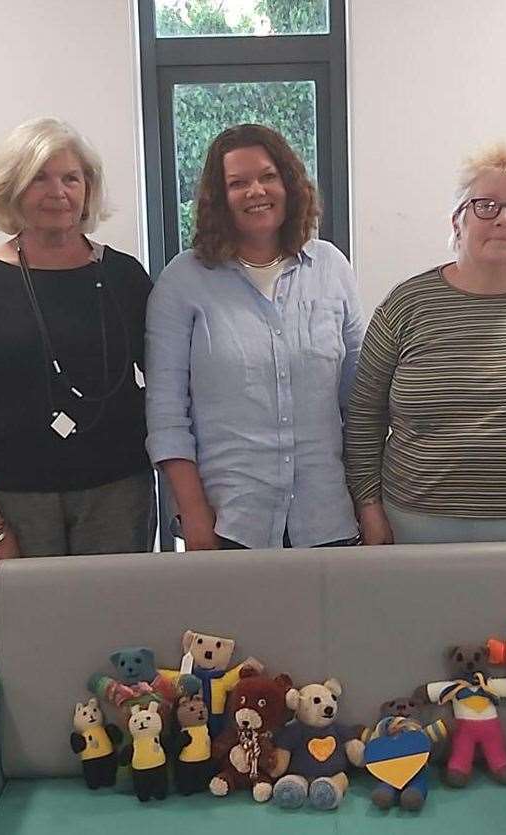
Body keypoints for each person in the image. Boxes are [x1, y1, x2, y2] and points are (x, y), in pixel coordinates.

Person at [0, 118, 154, 644]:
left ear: (88, 190)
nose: (57, 192)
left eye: (71, 179)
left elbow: (171, 389)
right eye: (40, 178)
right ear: (13, 187)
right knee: (32, 657)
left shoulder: (126, 277)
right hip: (14, 506)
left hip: (116, 498)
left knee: (118, 659)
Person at [345, 142, 506, 544]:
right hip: (415, 528)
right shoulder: (407, 304)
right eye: (486, 206)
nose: (504, 219)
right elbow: (365, 415)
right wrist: (367, 506)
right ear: (458, 221)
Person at [147, 124, 364, 550]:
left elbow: (358, 402)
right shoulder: (183, 282)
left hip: (328, 520)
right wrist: (192, 516)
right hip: (229, 523)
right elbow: (167, 417)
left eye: (268, 176)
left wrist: (369, 503)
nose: (255, 191)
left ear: (289, 182)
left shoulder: (331, 268)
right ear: (218, 198)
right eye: (237, 183)